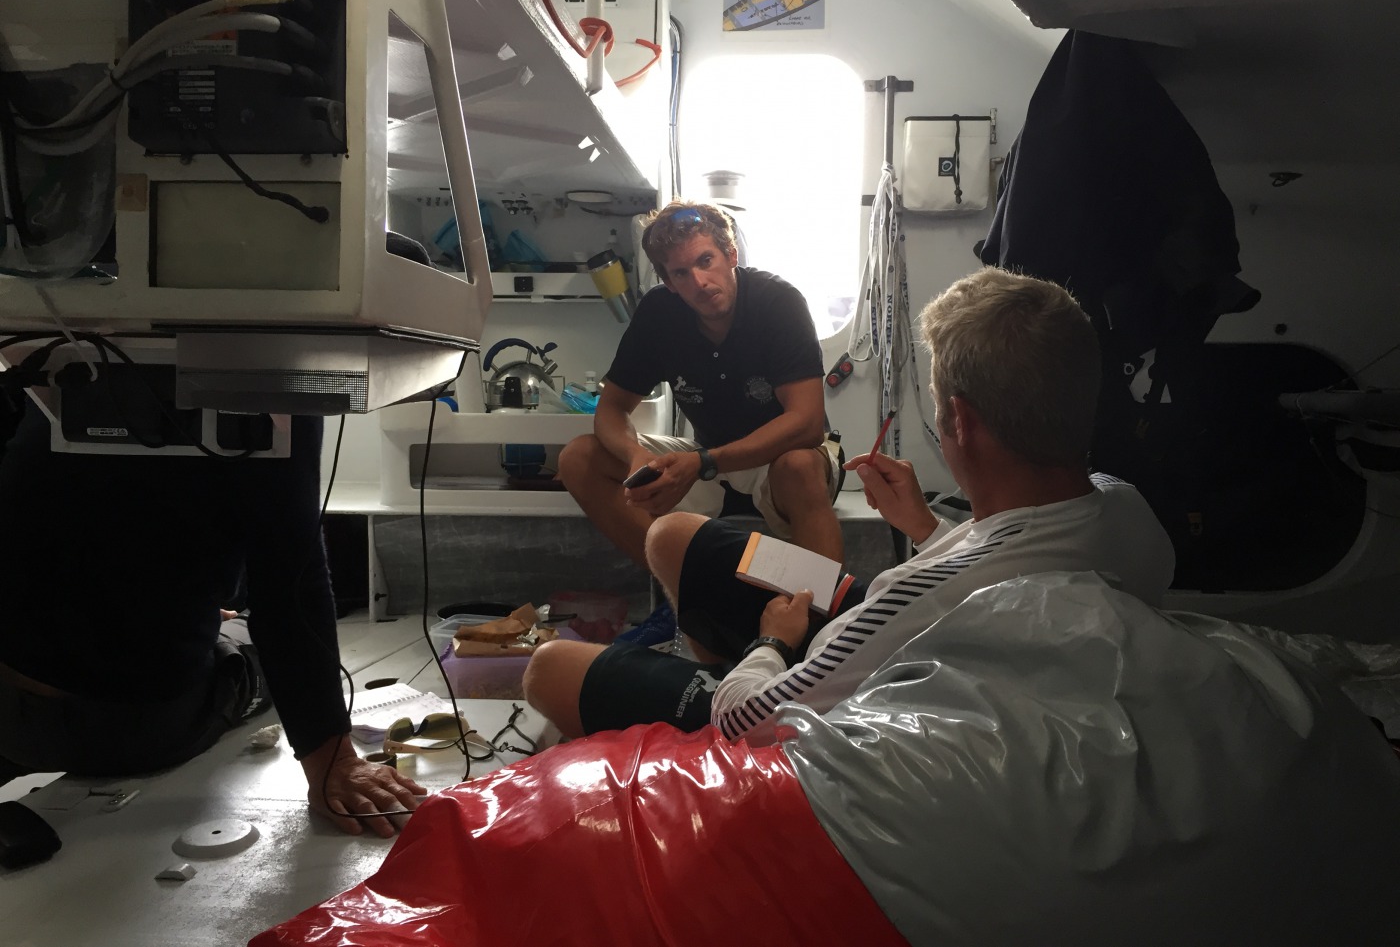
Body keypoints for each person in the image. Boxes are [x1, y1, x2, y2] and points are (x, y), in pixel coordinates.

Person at [524, 267, 1176, 743]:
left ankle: (712, 664)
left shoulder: (917, 598)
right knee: (674, 536)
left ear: (960, 421)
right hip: (877, 614)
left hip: (814, 681)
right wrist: (926, 528)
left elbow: (749, 715)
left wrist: (771, 644)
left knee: (550, 669)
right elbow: (1007, 551)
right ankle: (712, 638)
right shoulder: (1131, 512)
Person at [0, 400, 424, 837]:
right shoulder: (271, 390)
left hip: (11, 714)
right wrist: (334, 762)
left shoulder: (40, 379)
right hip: (138, 729)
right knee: (247, 634)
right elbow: (290, 585)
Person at [556, 200, 843, 570]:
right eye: (680, 273)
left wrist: (704, 462)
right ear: (668, 282)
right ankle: (687, 585)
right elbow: (612, 408)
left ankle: (822, 603)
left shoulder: (778, 301)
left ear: (731, 254)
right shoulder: (659, 313)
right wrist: (635, 456)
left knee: (799, 467)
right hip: (707, 462)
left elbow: (806, 424)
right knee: (579, 457)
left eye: (705, 261)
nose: (699, 283)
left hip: (778, 463)